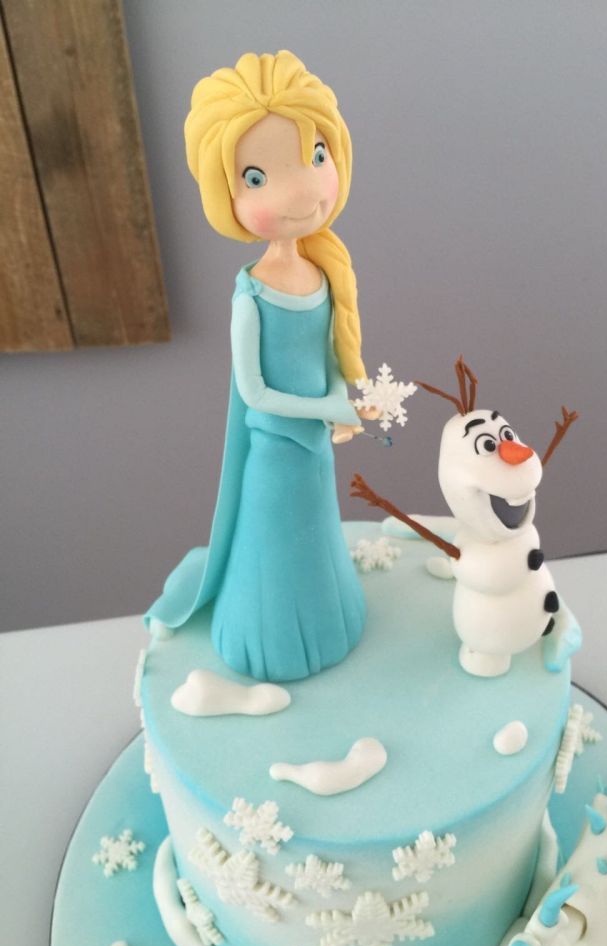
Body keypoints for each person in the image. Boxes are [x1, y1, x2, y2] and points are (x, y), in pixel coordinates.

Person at [145, 51, 374, 682]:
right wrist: (327, 407)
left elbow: (328, 354)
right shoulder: (251, 296)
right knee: (277, 543)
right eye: (257, 176)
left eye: (316, 156)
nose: (302, 190)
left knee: (318, 536)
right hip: (275, 451)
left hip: (314, 448)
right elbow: (255, 391)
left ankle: (331, 624)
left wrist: (341, 399)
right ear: (228, 195)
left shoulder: (324, 273)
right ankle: (269, 643)